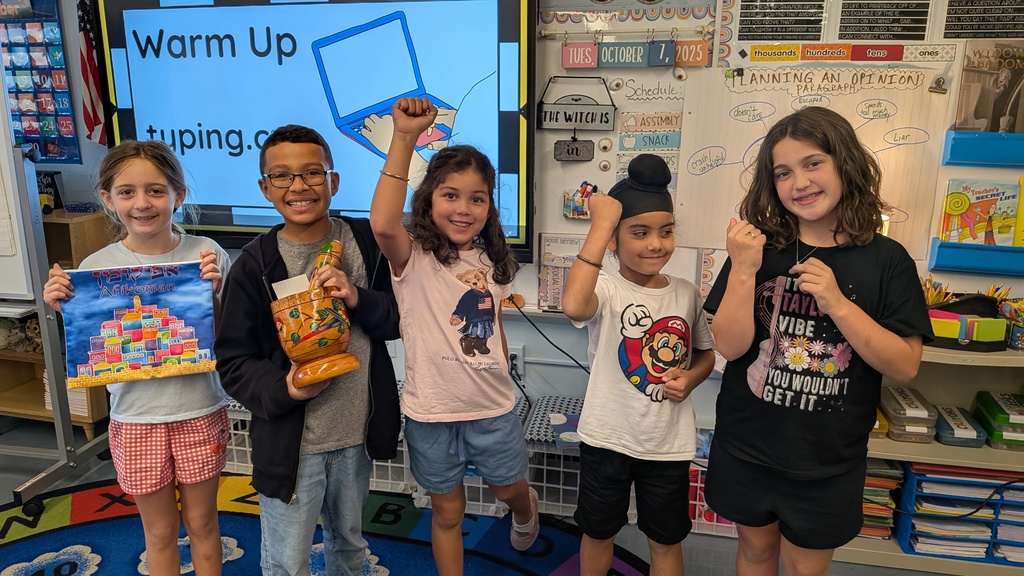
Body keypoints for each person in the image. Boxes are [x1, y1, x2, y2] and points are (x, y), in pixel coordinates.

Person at [702, 106, 932, 576]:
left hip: (827, 462)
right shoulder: (759, 249)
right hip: (747, 446)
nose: (800, 183)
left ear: (844, 162)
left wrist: (837, 304)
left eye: (813, 163)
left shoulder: (887, 259)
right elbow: (729, 346)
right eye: (783, 172)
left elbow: (905, 365)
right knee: (754, 551)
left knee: (806, 567)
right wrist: (743, 267)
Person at [214, 125, 401, 576]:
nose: (298, 186)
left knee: (350, 544)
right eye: (281, 176)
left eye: (313, 173)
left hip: (355, 434)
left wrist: (356, 297)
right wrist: (288, 389)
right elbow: (234, 362)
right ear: (265, 188)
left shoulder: (368, 242)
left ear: (333, 181)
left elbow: (398, 320)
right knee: (287, 560)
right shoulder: (254, 265)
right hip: (293, 447)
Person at [42, 140, 231, 576]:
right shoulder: (97, 265)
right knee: (159, 533)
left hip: (200, 410)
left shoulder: (207, 253)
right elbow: (92, 340)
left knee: (203, 523)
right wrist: (67, 309)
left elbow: (225, 336)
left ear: (178, 195)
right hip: (135, 418)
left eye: (155, 190)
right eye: (127, 192)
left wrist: (212, 295)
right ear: (108, 199)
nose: (142, 203)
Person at [368, 97, 539, 575]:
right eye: (451, 195)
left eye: (477, 198)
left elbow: (495, 326)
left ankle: (526, 507)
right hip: (430, 412)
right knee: (447, 512)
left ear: (489, 206)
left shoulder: (493, 261)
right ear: (429, 199)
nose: (464, 209)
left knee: (508, 489)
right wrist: (405, 136)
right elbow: (382, 222)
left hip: (491, 408)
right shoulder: (413, 255)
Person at [559, 154, 716, 576]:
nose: (656, 244)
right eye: (640, 232)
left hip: (667, 445)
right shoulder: (606, 289)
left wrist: (691, 378)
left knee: (665, 540)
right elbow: (574, 304)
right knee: (598, 533)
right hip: (606, 439)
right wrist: (600, 225)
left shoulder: (686, 293)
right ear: (614, 239)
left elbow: (705, 354)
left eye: (666, 231)